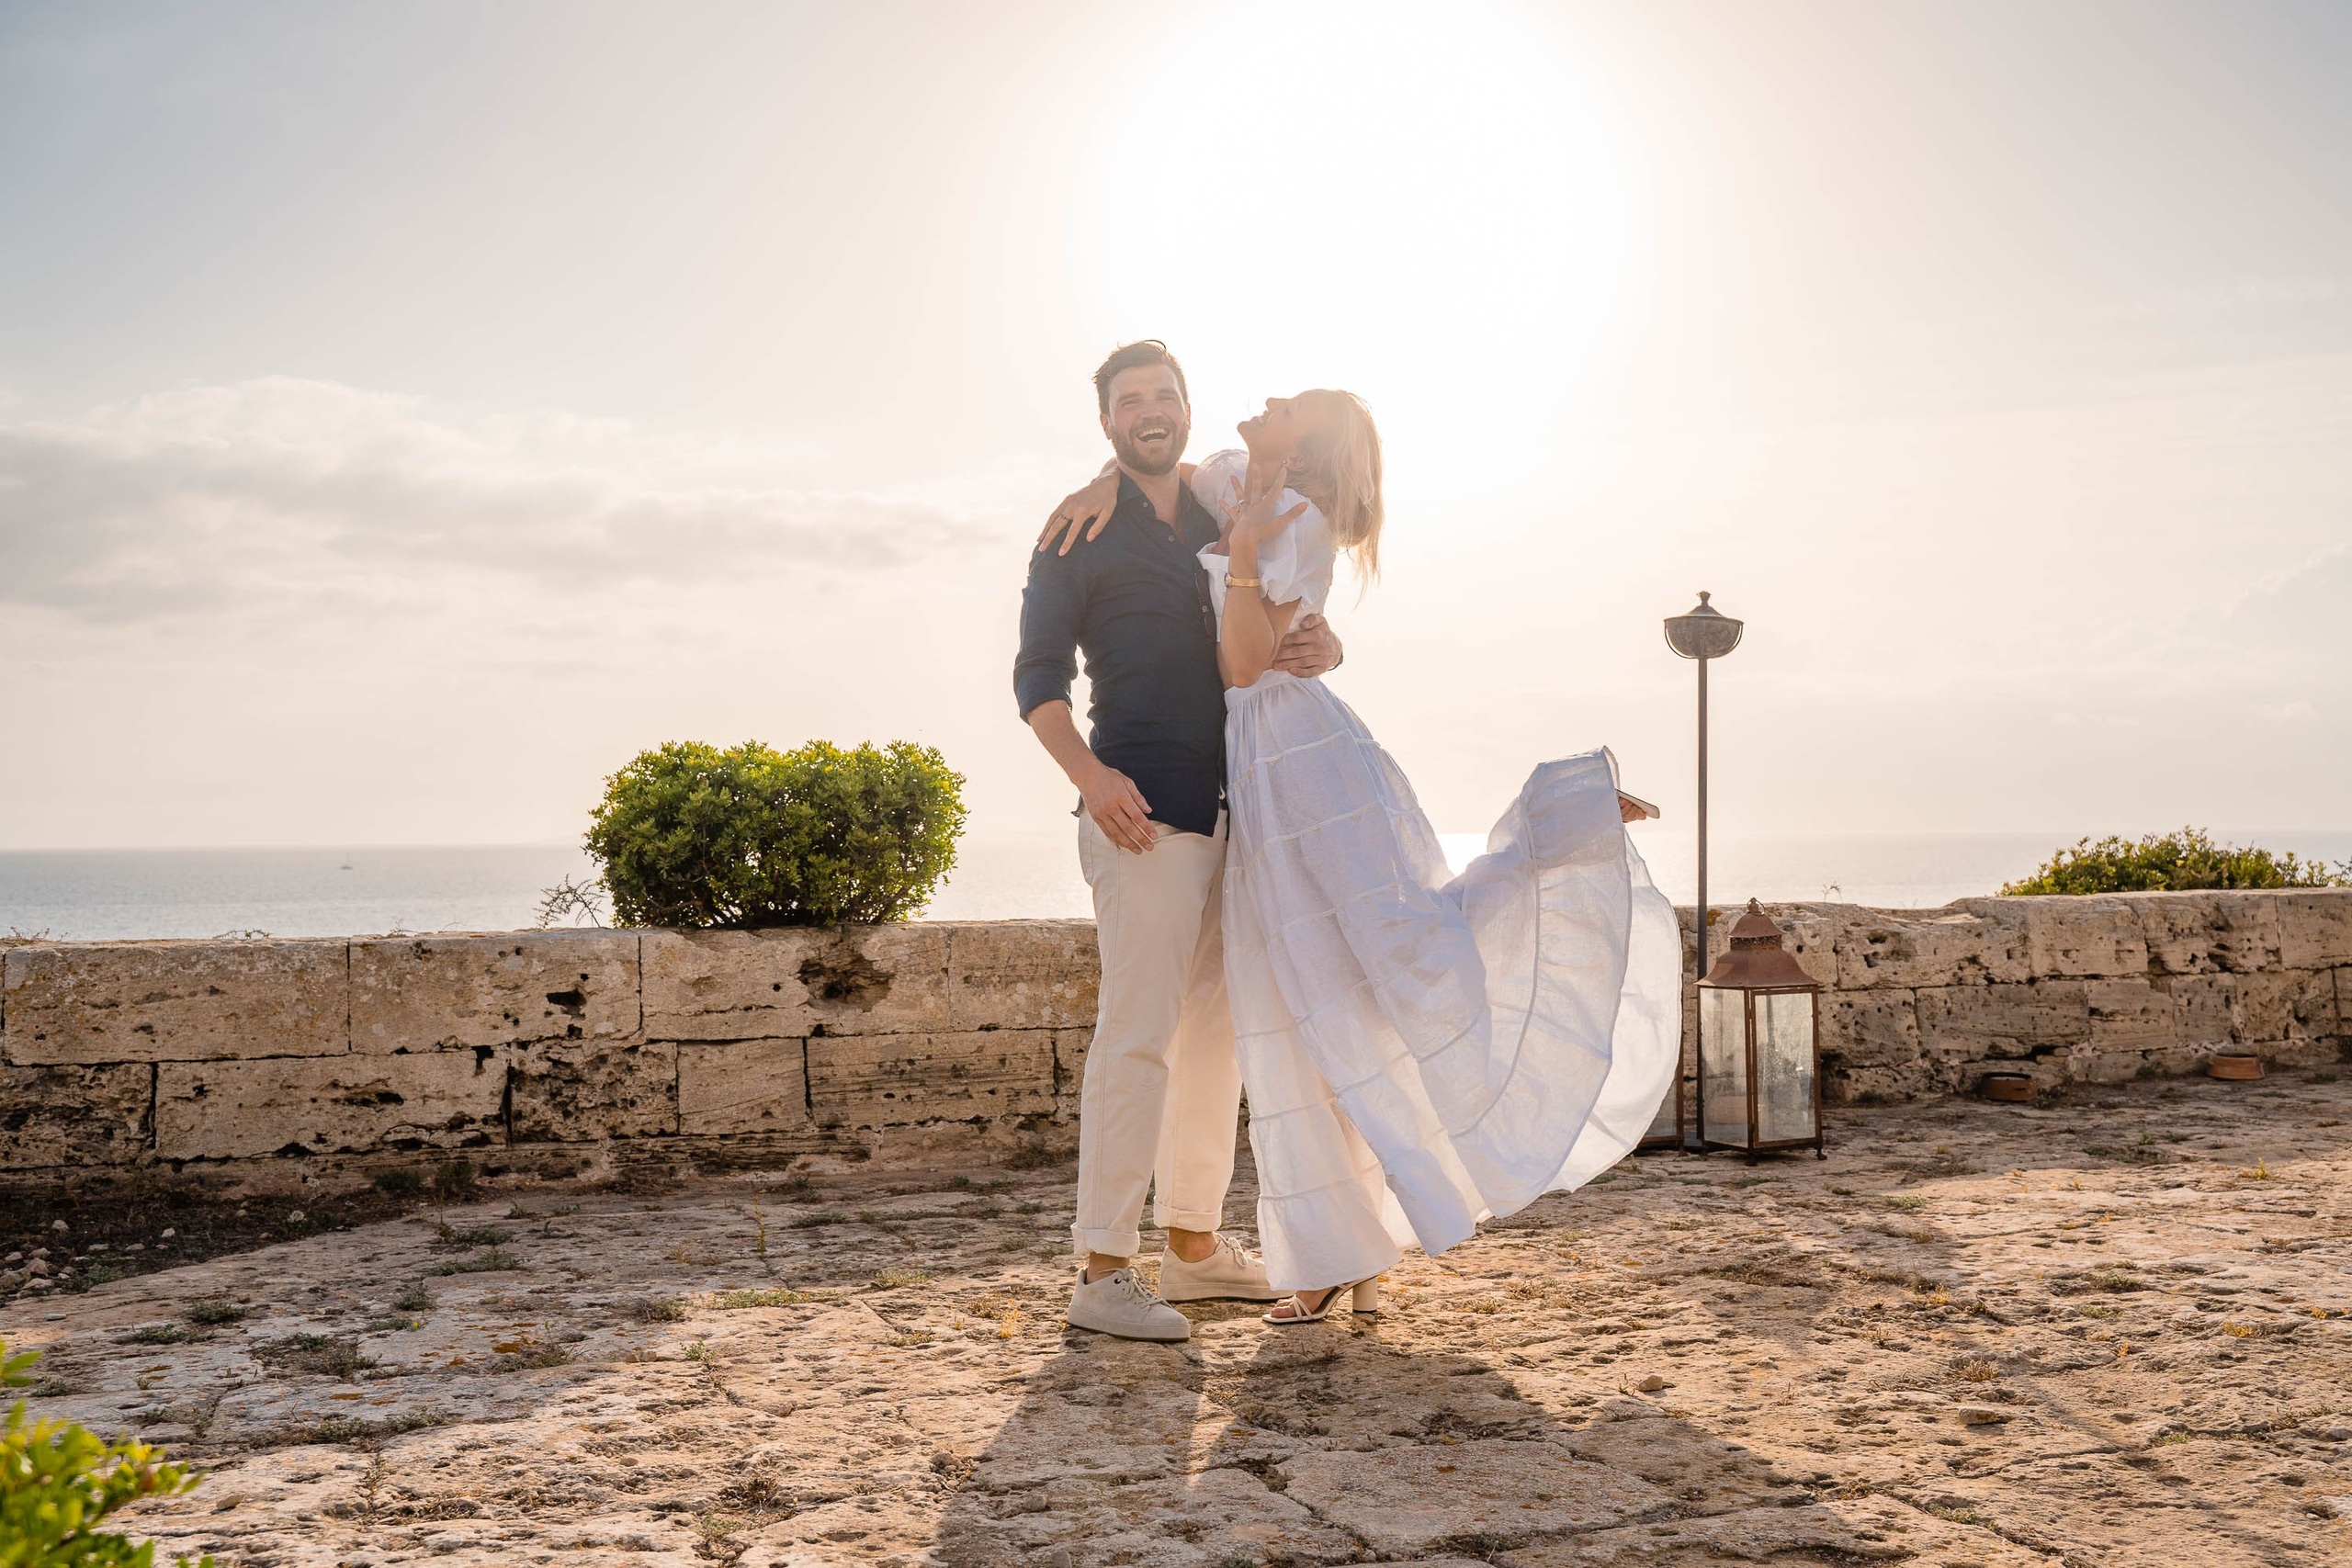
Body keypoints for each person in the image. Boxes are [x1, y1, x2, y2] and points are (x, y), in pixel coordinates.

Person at [1039, 388, 1681, 1325]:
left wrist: (1252, 552)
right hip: (1258, 775)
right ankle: (1340, 1249)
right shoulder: (1239, 483)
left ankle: (1563, 822)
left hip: (1299, 764)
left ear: (1312, 447)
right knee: (1304, 1004)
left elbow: (1247, 666)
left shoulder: (1288, 519)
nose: (1268, 400)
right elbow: (1166, 474)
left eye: (1290, 404)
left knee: (1399, 951)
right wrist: (1104, 478)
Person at [1012, 341, 1344, 1342]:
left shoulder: (1215, 506)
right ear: (1107, 421)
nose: (1149, 411)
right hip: (1140, 815)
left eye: (1164, 395)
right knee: (1138, 1036)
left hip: (1239, 805)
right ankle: (1102, 1268)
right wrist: (1092, 779)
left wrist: (1328, 642)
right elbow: (1035, 681)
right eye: (1130, 401)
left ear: (1187, 408)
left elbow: (1279, 603)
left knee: (1214, 1039)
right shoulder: (1078, 532)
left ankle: (1193, 1251)